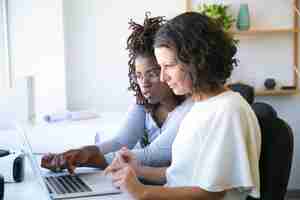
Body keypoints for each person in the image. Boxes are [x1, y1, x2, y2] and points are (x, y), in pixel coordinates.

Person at [105, 12, 261, 200]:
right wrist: (138, 169)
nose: (163, 77)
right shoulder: (200, 105)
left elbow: (211, 193)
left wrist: (142, 192)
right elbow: (184, 174)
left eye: (168, 66)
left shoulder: (228, 111)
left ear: (197, 61)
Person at [41, 13, 193, 174]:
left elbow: (153, 156)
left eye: (152, 74)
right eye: (139, 75)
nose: (144, 84)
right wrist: (82, 152)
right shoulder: (145, 102)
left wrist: (84, 159)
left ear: (167, 67)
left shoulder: (189, 108)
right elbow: (121, 141)